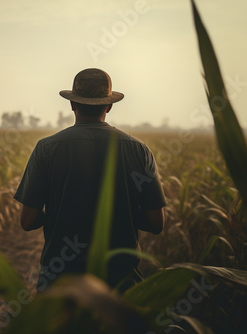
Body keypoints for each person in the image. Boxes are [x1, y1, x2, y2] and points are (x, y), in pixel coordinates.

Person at [14, 68, 166, 293]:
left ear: (72, 104)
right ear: (109, 106)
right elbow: (156, 223)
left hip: (61, 283)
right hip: (120, 282)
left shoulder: (46, 148)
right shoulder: (139, 150)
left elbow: (28, 220)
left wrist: (58, 215)